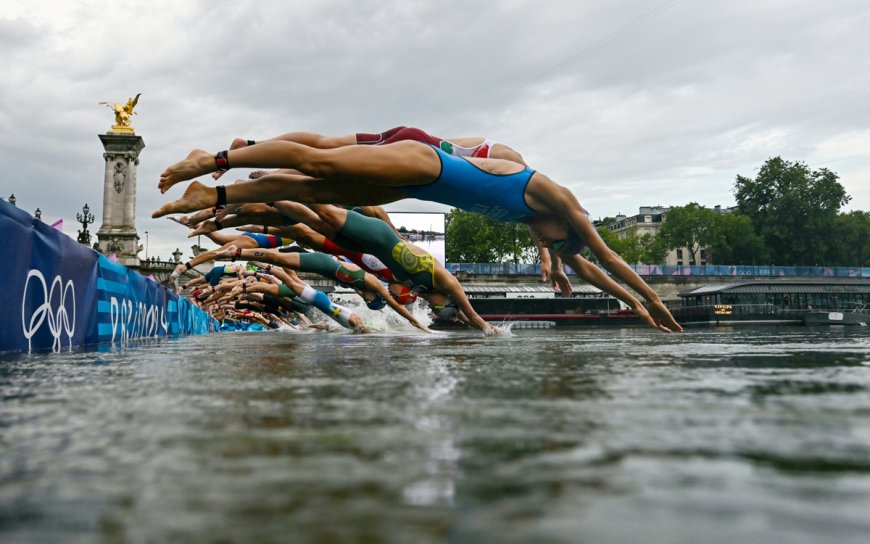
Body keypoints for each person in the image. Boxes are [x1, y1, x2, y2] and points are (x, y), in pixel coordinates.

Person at [153, 139, 682, 332]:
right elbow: (607, 255)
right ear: (569, 223)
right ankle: (217, 161)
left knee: (321, 186)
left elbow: (591, 268)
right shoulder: (556, 198)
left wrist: (633, 308)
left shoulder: (543, 228)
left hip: (415, 186)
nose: (554, 249)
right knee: (319, 163)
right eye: (559, 245)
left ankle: (216, 198)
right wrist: (653, 296)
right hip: (424, 159)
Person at [215, 245, 431, 332]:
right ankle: (243, 254)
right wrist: (417, 324)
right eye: (368, 301)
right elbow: (393, 304)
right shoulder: (372, 283)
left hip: (325, 283)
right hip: (324, 266)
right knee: (284, 272)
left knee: (287, 276)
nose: (365, 301)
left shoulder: (361, 289)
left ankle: (249, 262)